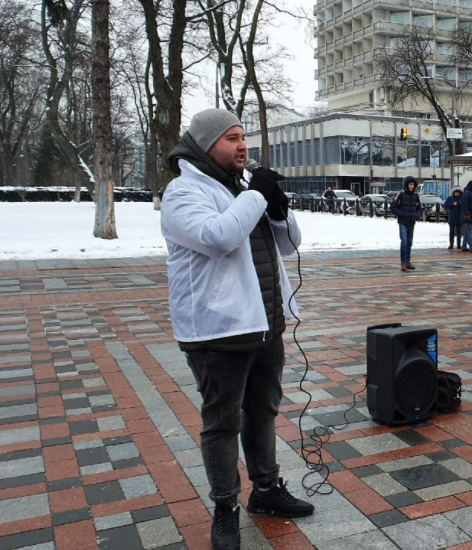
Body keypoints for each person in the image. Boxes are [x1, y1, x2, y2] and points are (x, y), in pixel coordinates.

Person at [160, 108, 313, 550]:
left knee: (263, 411)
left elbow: (288, 245)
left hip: (265, 324)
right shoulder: (183, 192)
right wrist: (257, 196)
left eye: (243, 136)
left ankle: (265, 490)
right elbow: (218, 237)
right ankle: (225, 506)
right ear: (206, 145)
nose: (242, 145)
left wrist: (279, 210)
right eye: (231, 138)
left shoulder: (240, 189)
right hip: (217, 331)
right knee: (222, 422)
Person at [391, 176, 422, 271]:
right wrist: (402, 214)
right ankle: (403, 262)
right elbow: (393, 207)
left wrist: (417, 215)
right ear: (407, 185)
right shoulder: (400, 194)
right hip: (403, 222)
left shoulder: (416, 196)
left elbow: (419, 208)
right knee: (404, 242)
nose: (412, 186)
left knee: (409, 243)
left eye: (413, 185)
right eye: (410, 184)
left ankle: (408, 261)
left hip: (411, 222)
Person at [460, 180, 472, 251]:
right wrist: (466, 212)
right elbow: (464, 203)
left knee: (468, 231)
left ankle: (464, 246)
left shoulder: (469, 192)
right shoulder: (468, 193)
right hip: (469, 215)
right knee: (470, 230)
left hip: (470, 214)